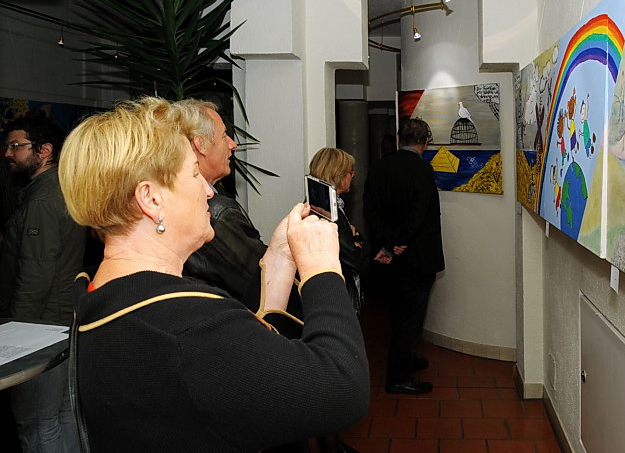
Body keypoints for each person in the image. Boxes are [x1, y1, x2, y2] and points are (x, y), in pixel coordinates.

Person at [58, 97, 369, 451]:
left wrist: (281, 257)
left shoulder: (99, 293)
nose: (208, 191)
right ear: (151, 199)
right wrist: (321, 268)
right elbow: (344, 387)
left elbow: (245, 354)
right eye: (194, 173)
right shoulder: (189, 325)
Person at [1, 117, 83, 452]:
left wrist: (18, 338)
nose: (8, 153)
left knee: (36, 421)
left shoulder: (43, 200)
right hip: (60, 321)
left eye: (16, 146)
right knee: (61, 414)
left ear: (44, 150)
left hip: (41, 326)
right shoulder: (61, 189)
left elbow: (37, 275)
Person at [363, 118, 445, 395]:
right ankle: (399, 377)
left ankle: (407, 358)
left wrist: (389, 243)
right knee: (410, 317)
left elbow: (370, 210)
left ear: (399, 139)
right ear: (425, 142)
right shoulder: (423, 170)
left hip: (389, 256)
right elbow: (419, 214)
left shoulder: (379, 166)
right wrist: (399, 242)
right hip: (416, 256)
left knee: (399, 312)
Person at [175, 99, 266, 311]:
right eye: (224, 135)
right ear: (200, 145)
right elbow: (263, 283)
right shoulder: (216, 213)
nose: (233, 144)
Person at [309, 147, 365, 315]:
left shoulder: (317, 203)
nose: (352, 177)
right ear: (338, 175)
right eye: (350, 172)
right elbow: (352, 262)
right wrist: (356, 242)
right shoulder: (330, 213)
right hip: (338, 295)